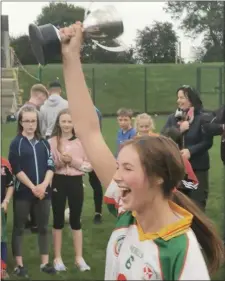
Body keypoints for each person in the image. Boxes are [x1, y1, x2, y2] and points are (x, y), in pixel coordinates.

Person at [59, 22, 224, 280]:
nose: (115, 176)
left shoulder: (180, 252)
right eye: (119, 166)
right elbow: (88, 132)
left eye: (127, 168)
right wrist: (70, 57)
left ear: (158, 177)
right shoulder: (130, 213)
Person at [8, 106, 56, 277]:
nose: (30, 124)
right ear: (21, 122)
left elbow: (51, 165)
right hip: (24, 193)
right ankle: (19, 265)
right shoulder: (16, 143)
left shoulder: (44, 142)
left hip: (44, 192)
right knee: (19, 227)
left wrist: (43, 185)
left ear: (37, 122)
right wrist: (33, 187)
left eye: (33, 121)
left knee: (43, 227)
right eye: (26, 121)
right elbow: (16, 169)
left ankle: (45, 263)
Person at [49, 108, 91, 272]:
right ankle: (57, 258)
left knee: (75, 218)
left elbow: (89, 166)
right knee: (58, 219)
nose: (66, 125)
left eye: (69, 121)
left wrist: (72, 161)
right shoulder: (52, 141)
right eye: (63, 121)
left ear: (74, 124)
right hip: (58, 181)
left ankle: (78, 258)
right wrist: (60, 163)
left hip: (75, 182)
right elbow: (50, 164)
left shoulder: (81, 141)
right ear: (59, 123)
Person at [162, 85, 213, 211]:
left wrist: (191, 151)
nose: (178, 101)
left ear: (191, 99)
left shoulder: (203, 117)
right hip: (177, 169)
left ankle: (198, 229)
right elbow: (163, 137)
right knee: (179, 203)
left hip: (197, 169)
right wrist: (179, 129)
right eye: (178, 97)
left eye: (182, 97)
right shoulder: (172, 118)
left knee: (196, 204)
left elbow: (207, 142)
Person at [16, 83, 49, 232]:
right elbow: (40, 133)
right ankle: (35, 221)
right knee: (35, 180)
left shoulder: (21, 110)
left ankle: (28, 219)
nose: (43, 101)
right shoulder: (35, 112)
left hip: (23, 150)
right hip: (33, 149)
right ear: (39, 95)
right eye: (44, 98)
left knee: (26, 180)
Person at [161, 127, 199, 198]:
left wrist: (178, 184)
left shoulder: (183, 161)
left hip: (179, 200)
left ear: (178, 145)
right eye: (165, 144)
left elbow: (194, 184)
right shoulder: (158, 159)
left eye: (172, 144)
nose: (168, 147)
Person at [1, 157, 14, 280]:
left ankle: (2, 269)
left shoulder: (3, 163)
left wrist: (6, 200)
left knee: (1, 238)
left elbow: (10, 184)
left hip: (0, 208)